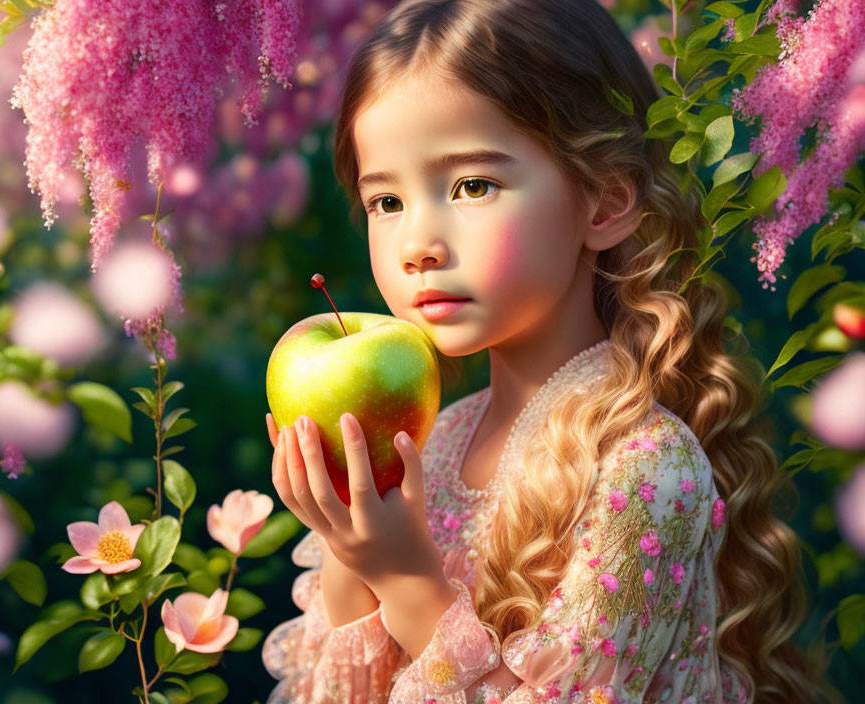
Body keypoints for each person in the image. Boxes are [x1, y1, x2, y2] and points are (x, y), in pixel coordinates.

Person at [260, 1, 837, 702]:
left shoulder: (643, 465)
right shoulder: (432, 441)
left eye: (473, 185)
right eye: (387, 202)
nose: (418, 245)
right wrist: (353, 554)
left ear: (605, 202)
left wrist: (408, 581)